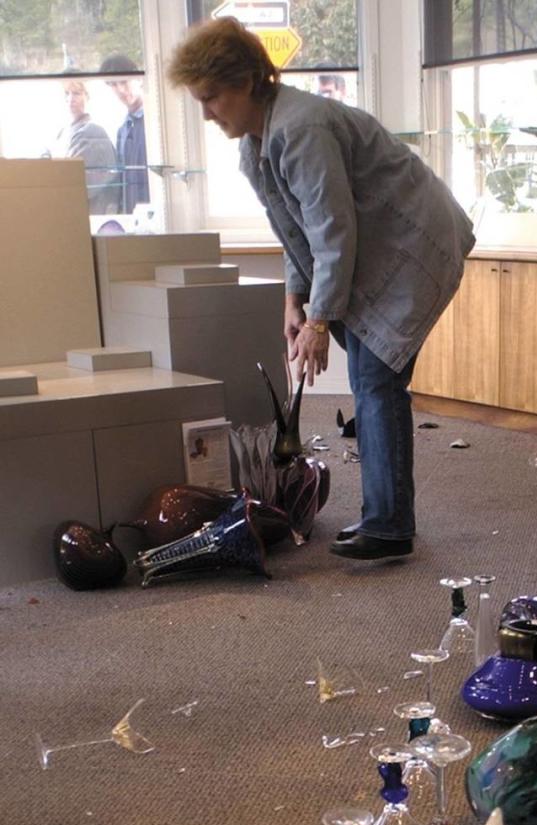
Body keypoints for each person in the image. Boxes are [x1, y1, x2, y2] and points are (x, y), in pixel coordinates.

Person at [167, 18, 475, 561]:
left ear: (244, 81)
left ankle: (389, 524)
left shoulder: (300, 128)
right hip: (369, 248)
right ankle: (386, 516)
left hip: (410, 244)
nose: (208, 113)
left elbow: (333, 229)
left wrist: (319, 321)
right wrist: (295, 300)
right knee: (369, 379)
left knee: (376, 380)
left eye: (211, 97)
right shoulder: (256, 146)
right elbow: (296, 229)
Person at [55, 80, 121, 214]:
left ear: (87, 96)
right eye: (67, 93)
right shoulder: (62, 133)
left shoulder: (92, 131)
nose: (70, 98)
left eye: (77, 93)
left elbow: (76, 181)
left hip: (89, 213)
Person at [99, 53, 149, 214]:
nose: (120, 89)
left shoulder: (154, 123)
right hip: (132, 220)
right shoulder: (123, 130)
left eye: (124, 81)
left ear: (139, 79)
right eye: (113, 84)